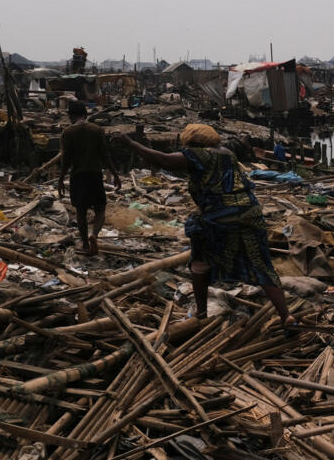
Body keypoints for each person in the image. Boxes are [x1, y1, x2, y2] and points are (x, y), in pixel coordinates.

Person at [117, 124, 296, 327]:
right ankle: (286, 315)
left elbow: (163, 160)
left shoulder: (196, 154)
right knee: (261, 264)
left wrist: (130, 143)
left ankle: (201, 313)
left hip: (220, 215)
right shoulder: (227, 153)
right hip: (249, 212)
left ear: (191, 141)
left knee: (199, 261)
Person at [58, 101, 121, 255]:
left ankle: (86, 245)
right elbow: (105, 156)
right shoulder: (97, 130)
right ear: (85, 114)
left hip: (78, 176)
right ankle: (95, 235)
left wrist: (61, 179)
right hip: (95, 174)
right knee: (100, 209)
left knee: (81, 212)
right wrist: (115, 174)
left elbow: (66, 160)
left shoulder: (68, 133)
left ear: (71, 116)